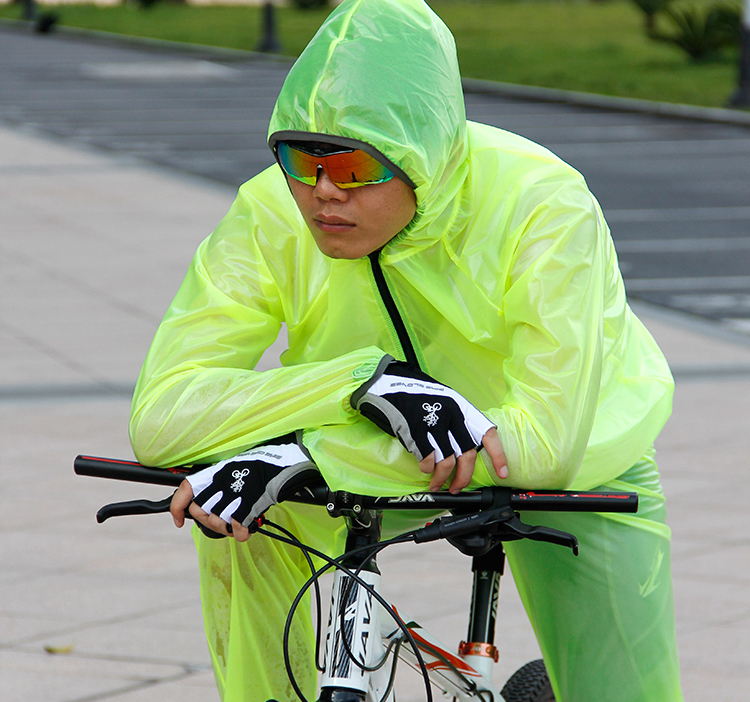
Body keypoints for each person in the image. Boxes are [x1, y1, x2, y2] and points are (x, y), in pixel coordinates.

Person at [128, 0, 684, 700]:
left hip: (580, 453)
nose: (323, 193)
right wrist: (367, 383)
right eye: (302, 158)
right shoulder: (271, 208)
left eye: (356, 167)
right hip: (379, 441)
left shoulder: (544, 202)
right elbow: (160, 418)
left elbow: (543, 444)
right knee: (238, 513)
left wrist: (305, 450)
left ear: (419, 156)